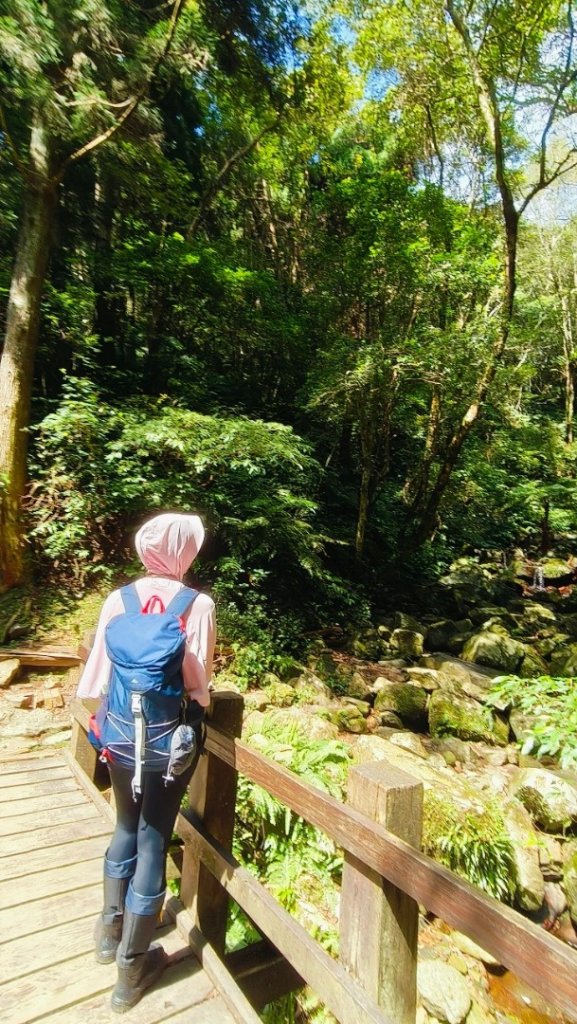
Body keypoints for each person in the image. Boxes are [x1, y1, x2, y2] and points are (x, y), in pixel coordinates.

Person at [76, 512, 215, 1013]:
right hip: (165, 743)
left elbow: (94, 678)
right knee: (155, 838)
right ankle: (131, 971)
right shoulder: (197, 605)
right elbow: (199, 687)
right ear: (185, 553)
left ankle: (110, 933)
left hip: (116, 735)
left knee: (124, 826)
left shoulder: (119, 600)